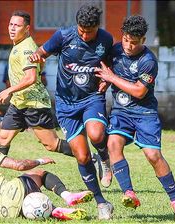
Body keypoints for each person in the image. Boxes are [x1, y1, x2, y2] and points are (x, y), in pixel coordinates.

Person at [95, 15, 175, 216]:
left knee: (153, 155)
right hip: (121, 112)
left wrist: (111, 78)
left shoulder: (148, 61)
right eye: (126, 39)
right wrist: (106, 81)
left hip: (145, 113)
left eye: (134, 42)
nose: (128, 46)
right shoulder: (115, 50)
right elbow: (107, 70)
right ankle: (129, 192)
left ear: (143, 40)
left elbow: (138, 91)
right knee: (113, 144)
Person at [29, 4, 114, 219]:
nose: (85, 35)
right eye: (82, 30)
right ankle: (101, 202)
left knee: (96, 135)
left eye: (90, 31)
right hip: (66, 105)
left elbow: (109, 67)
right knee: (82, 155)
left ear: (98, 27)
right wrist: (37, 58)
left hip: (91, 98)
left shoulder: (105, 39)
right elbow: (42, 51)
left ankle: (104, 157)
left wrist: (106, 82)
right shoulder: (64, 35)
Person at [0, 130, 93, 220]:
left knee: (23, 199)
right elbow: (19, 166)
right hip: (12, 195)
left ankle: (54, 211)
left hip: (3, 214)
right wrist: (40, 160)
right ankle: (67, 197)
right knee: (40, 175)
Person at [0, 11, 74, 160]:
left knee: (51, 144)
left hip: (34, 103)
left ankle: (90, 156)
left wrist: (9, 90)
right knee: (3, 138)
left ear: (26, 29)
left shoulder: (26, 48)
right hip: (19, 102)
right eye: (11, 24)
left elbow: (31, 78)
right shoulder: (19, 45)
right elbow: (37, 71)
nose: (12, 28)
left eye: (17, 25)